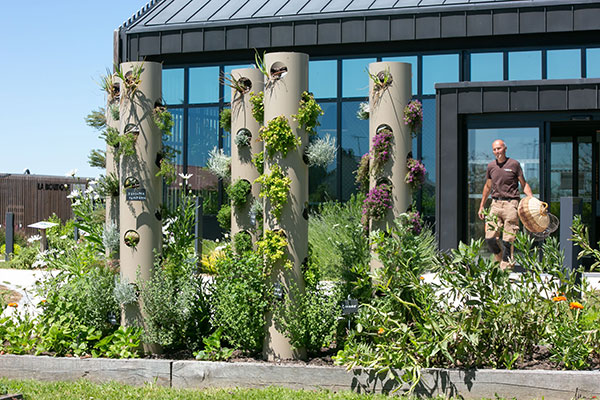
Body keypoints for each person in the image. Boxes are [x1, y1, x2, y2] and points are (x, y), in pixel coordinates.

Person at [478, 139, 533, 269]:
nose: (497, 151)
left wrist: (531, 199)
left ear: (505, 148)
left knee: (508, 240)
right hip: (495, 204)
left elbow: (524, 184)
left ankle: (506, 267)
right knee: (490, 239)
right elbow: (487, 186)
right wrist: (481, 206)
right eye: (495, 149)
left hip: (511, 204)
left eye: (499, 148)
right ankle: (501, 258)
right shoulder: (491, 166)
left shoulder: (514, 164)